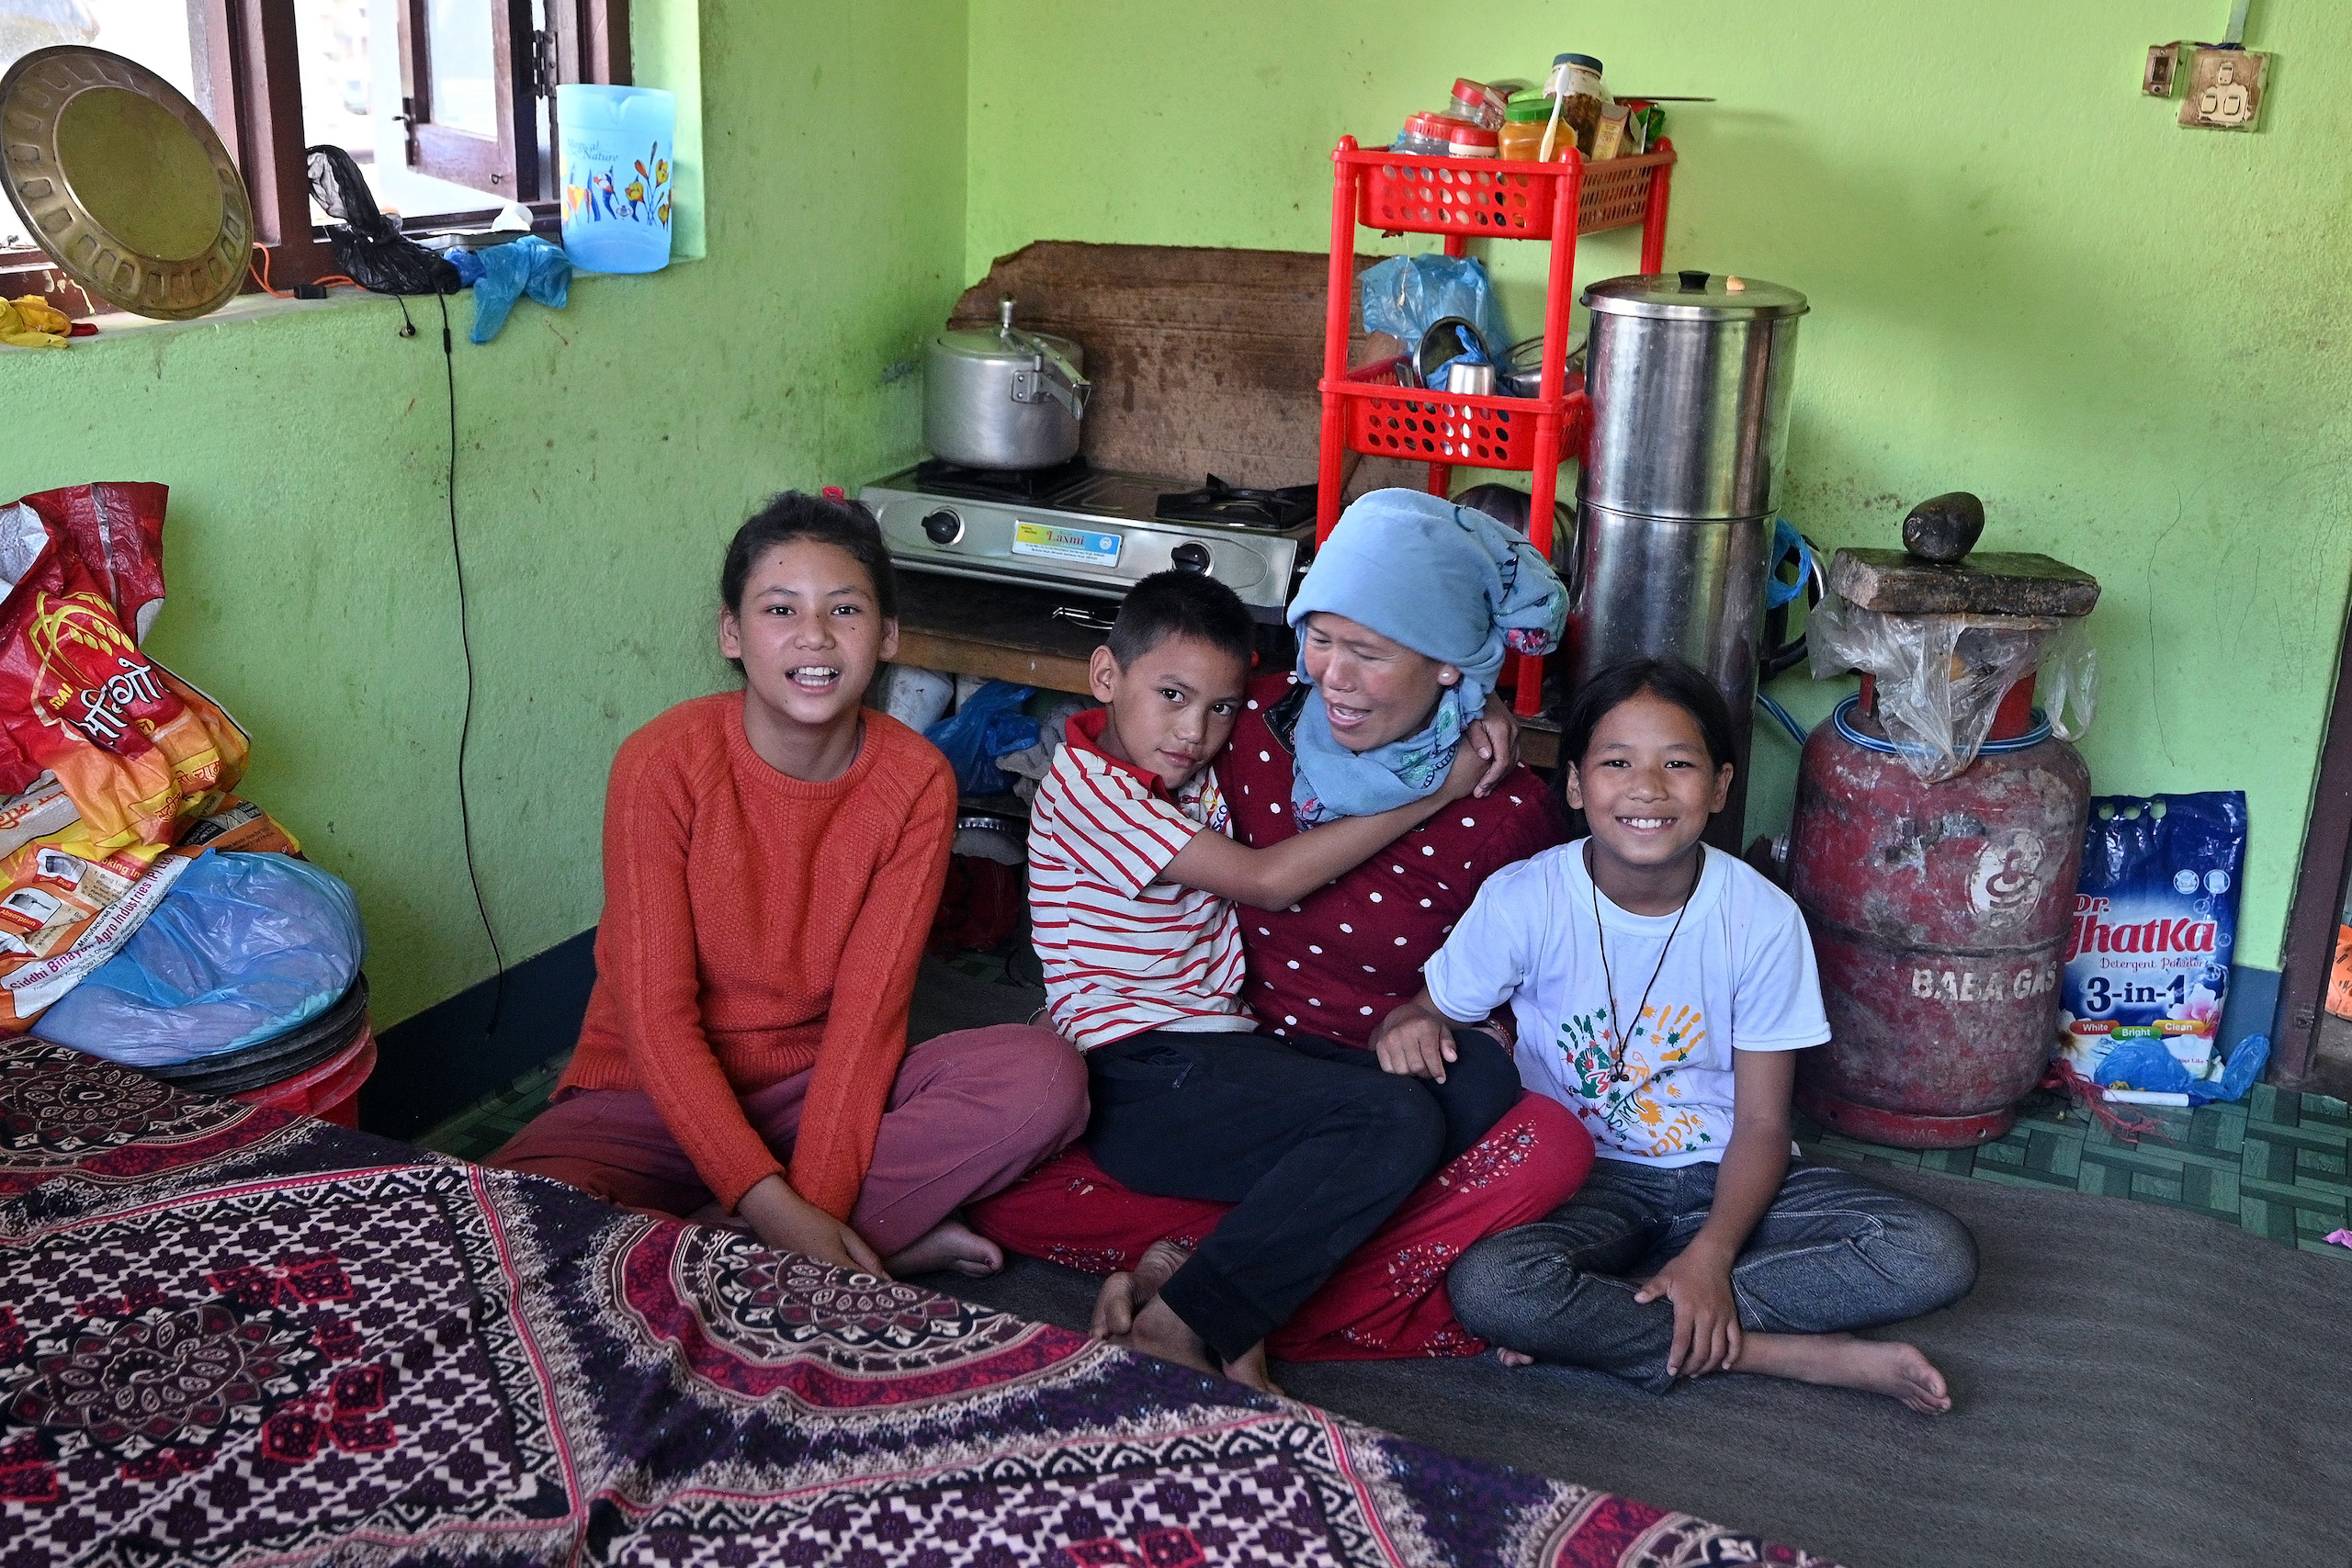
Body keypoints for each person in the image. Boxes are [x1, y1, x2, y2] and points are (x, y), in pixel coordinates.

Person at [974, 488, 1596, 1367]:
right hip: (1189, 1074)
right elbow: (1255, 868)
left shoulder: (1503, 809)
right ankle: (1229, 1301)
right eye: (1321, 639)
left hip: (1299, 1073)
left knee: (1516, 1120)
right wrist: (1439, 777)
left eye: (1370, 653)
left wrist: (1432, 1008)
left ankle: (1200, 1269)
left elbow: (1530, 985)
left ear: (1452, 665)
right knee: (1017, 1163)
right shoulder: (1254, 726)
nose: (1333, 676)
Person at [490, 492, 1087, 1279]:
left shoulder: (915, 781)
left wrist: (812, 1200)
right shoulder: (662, 763)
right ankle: (840, 1245)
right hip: (643, 1096)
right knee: (499, 1224)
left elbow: (867, 1023)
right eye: (781, 608)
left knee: (1047, 1078)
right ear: (732, 634)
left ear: (889, 636)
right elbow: (657, 1018)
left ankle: (711, 1249)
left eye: (845, 609)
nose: (815, 635)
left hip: (814, 1099)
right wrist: (777, 1211)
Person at [1395, 656, 1978, 1411]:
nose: (1647, 787)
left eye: (1679, 763)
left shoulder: (1762, 920)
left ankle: (1616, 1314)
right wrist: (1408, 1026)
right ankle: (1782, 1354)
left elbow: (1765, 1121)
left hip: (1727, 1173)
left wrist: (1711, 1252)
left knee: (1931, 1253)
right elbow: (1426, 1010)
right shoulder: (1524, 898)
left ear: (1721, 786)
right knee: (1491, 1284)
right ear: (1574, 784)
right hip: (1581, 1181)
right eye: (1616, 762)